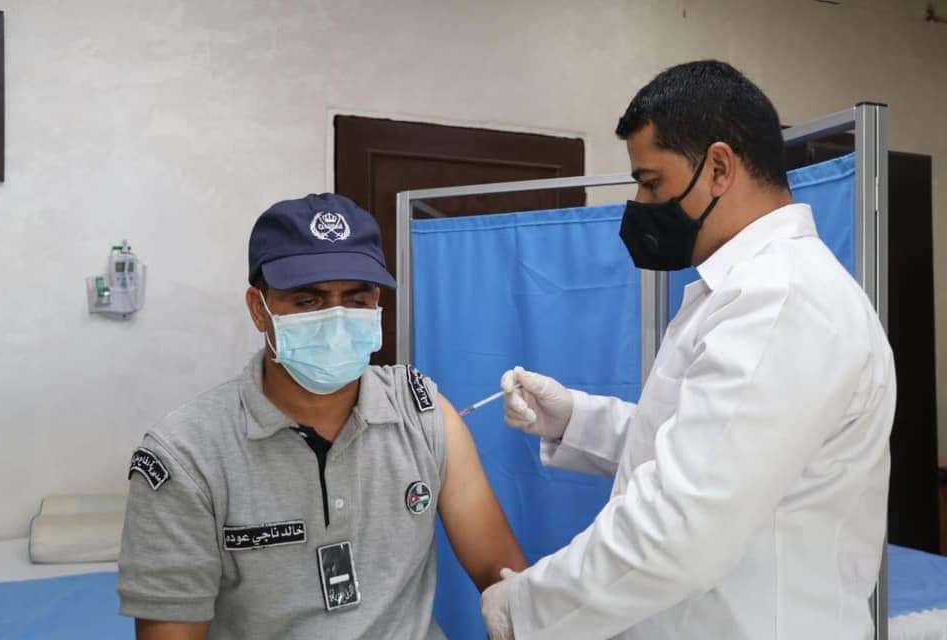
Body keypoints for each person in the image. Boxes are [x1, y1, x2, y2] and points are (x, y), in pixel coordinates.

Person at [480, 60, 896, 640]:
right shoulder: (746, 289)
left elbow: (683, 522)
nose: (641, 202)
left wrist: (526, 608)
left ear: (719, 168)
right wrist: (576, 419)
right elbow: (705, 448)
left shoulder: (781, 300)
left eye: (652, 182)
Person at [117, 193, 526, 640]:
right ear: (259, 309)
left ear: (376, 302)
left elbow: (504, 577)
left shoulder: (422, 414)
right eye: (308, 301)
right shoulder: (187, 456)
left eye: (355, 299)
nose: (336, 320)